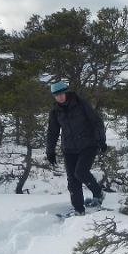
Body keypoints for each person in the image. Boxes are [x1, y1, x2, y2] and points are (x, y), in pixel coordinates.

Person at [46, 81, 107, 216]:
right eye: (56, 95)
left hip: (88, 145)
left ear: (66, 92)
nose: (59, 97)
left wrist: (101, 140)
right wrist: (50, 151)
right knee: (72, 181)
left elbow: (96, 121)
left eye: (61, 93)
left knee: (80, 172)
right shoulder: (55, 111)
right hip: (69, 149)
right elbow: (52, 132)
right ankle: (79, 210)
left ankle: (98, 192)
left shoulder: (81, 104)